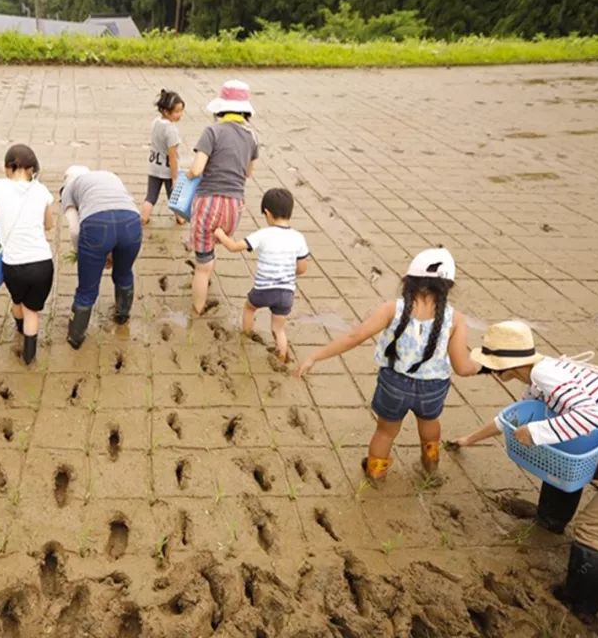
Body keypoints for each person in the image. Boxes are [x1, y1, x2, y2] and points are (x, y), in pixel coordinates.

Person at [449, 321, 598, 619]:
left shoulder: (546, 376)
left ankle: (580, 606)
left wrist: (537, 432)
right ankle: (551, 520)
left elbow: (590, 414)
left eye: (492, 366)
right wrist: (468, 439)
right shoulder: (538, 373)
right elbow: (513, 419)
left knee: (593, 530)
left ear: (507, 365)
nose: (491, 373)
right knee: (561, 467)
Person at [296, 248, 480, 481]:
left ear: (409, 280)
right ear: (448, 286)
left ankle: (375, 474)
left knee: (385, 432)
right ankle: (430, 466)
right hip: (433, 387)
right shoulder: (455, 319)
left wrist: (316, 356)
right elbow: (462, 367)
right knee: (429, 424)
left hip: (394, 383)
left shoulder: (392, 309)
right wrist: (483, 365)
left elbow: (354, 338)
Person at [0, 144, 55, 365]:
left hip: (14, 265)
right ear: (32, 169)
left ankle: (19, 329)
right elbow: (49, 225)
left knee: (18, 301)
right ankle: (29, 358)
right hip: (42, 264)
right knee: (33, 312)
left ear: (7, 167)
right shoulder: (42, 191)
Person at [187, 80, 259, 315]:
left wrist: (189, 173)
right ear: (245, 111)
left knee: (202, 264)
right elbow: (249, 172)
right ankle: (209, 268)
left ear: (221, 109)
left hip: (209, 202)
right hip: (234, 205)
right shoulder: (252, 137)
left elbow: (197, 169)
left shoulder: (212, 132)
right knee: (216, 242)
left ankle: (198, 307)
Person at [213, 187, 309, 362]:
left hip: (264, 290)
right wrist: (287, 270)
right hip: (286, 293)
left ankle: (247, 335)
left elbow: (234, 247)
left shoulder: (263, 234)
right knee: (278, 329)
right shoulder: (299, 238)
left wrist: (220, 234)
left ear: (267, 213)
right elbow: (302, 268)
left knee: (249, 308)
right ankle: (281, 356)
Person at [60, 165, 143, 349]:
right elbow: (117, 211)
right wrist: (111, 250)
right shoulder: (109, 175)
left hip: (97, 226)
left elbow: (74, 230)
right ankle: (122, 315)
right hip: (132, 222)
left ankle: (76, 337)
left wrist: (84, 253)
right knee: (124, 273)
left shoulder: (70, 188)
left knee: (87, 291)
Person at [141, 89, 186, 226]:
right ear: (166, 112)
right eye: (177, 111)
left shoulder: (156, 122)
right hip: (167, 170)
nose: (180, 115)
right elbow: (172, 156)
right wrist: (175, 177)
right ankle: (180, 218)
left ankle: (144, 217)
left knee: (150, 197)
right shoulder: (171, 131)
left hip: (154, 166)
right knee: (174, 196)